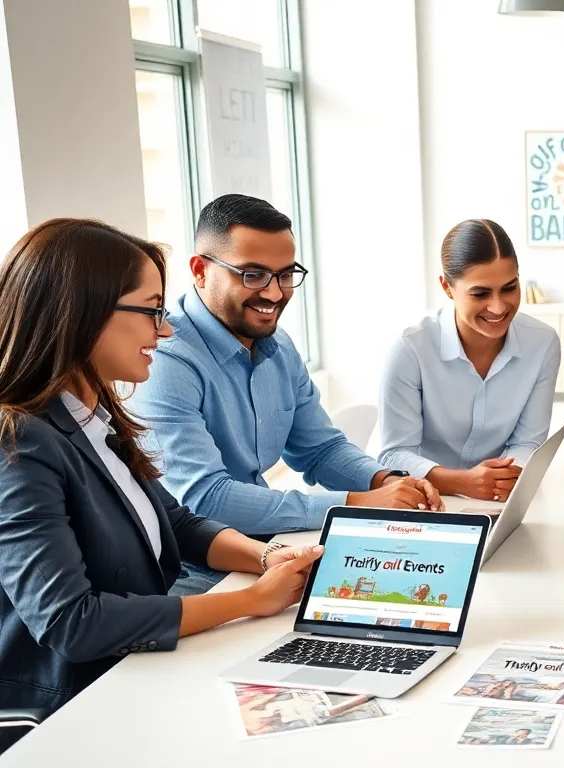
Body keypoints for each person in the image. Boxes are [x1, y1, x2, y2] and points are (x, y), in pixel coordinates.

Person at [0, 219, 324, 717]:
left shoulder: (95, 415)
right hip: (71, 708)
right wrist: (249, 601)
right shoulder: (19, 445)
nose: (167, 328)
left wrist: (266, 558)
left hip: (138, 673)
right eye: (153, 311)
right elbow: (72, 623)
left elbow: (177, 522)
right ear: (84, 315)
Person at [129, 195, 441, 595]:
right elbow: (206, 499)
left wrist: (389, 482)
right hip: (193, 574)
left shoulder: (278, 346)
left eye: (285, 274)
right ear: (200, 270)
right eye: (253, 275)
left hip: (267, 553)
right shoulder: (166, 360)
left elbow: (320, 450)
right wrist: (358, 502)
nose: (275, 294)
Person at [379, 220, 560, 502]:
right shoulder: (411, 348)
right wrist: (463, 482)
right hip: (419, 498)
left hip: (497, 500)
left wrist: (504, 480)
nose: (498, 307)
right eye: (480, 293)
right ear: (447, 287)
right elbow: (395, 453)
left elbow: (527, 442)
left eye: (509, 288)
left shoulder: (543, 343)